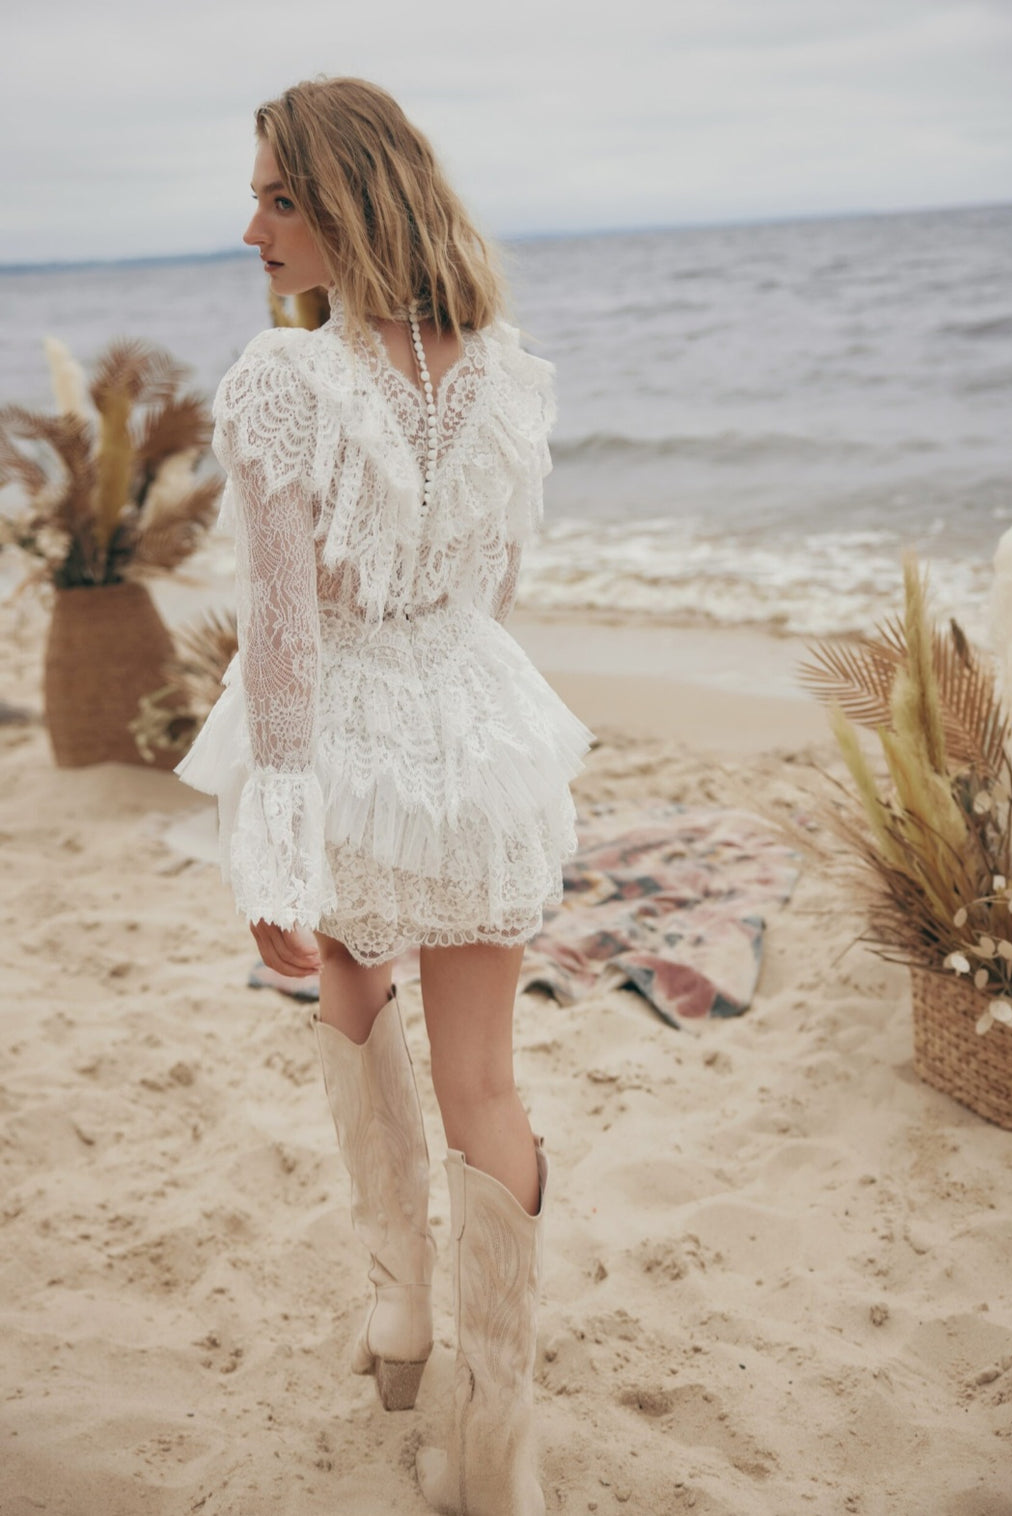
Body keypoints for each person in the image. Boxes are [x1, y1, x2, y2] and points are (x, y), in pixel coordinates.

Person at [175, 77, 591, 1515]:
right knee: (489, 1080)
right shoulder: (504, 368)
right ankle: (496, 1447)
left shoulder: (282, 382)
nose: (254, 227)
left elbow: (283, 641)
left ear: (351, 201)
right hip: (477, 745)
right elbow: (501, 589)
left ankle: (399, 1311)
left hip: (350, 751)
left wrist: (274, 847)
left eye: (281, 199)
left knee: (351, 987)